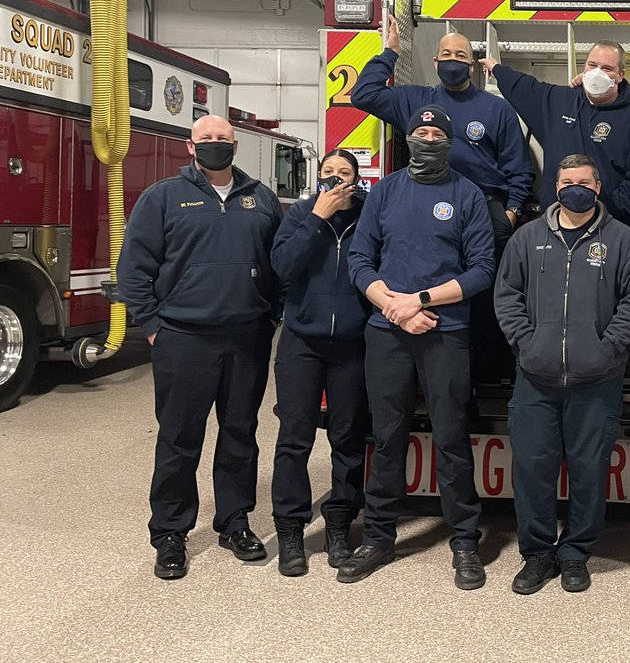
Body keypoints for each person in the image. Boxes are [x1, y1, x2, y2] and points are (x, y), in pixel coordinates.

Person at [117, 114, 283, 580]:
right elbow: (134, 269)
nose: (215, 144)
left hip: (247, 338)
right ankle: (170, 532)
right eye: (205, 139)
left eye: (223, 139)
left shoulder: (261, 199)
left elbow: (280, 263)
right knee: (179, 439)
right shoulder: (163, 198)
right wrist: (153, 327)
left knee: (239, 435)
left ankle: (234, 522)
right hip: (183, 339)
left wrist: (271, 313)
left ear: (236, 146)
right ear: (190, 147)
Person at [340, 104, 496, 588]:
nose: (426, 139)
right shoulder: (385, 191)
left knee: (451, 437)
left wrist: (420, 300)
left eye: (435, 133)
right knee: (387, 437)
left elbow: (481, 270)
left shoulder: (466, 195)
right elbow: (360, 259)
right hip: (387, 332)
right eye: (419, 132)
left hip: (445, 333)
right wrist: (393, 307)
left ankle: (465, 540)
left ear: (448, 142)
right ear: (408, 139)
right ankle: (379, 537)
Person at [494, 154, 630, 595]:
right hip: (536, 377)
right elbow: (506, 295)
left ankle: (576, 553)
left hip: (597, 377)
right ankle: (538, 553)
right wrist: (527, 344)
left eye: (584, 181)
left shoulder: (621, 241)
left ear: (597, 188)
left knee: (588, 469)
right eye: (566, 181)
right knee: (532, 468)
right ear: (555, 187)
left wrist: (608, 348)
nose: (575, 188)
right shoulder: (526, 238)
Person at [352, 22, 535, 385]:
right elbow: (363, 95)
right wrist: (390, 52)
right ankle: (407, 353)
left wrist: (511, 213)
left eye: (461, 56)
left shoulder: (496, 109)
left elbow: (519, 168)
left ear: (473, 64)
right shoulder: (414, 99)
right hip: (420, 201)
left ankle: (482, 379)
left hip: (482, 205)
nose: (454, 61)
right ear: (436, 61)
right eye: (447, 55)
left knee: (484, 295)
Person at [268, 149, 372, 577]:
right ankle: (291, 529)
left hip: (353, 344)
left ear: (356, 180)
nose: (334, 178)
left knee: (348, 439)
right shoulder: (300, 215)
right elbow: (282, 267)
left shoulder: (369, 216)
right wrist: (317, 217)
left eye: (343, 173)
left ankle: (339, 523)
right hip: (301, 342)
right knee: (294, 438)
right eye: (327, 172)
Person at [482, 41, 630, 232]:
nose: (597, 72)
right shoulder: (557, 101)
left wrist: (609, 212)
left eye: (607, 68)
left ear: (620, 75)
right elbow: (525, 87)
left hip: (609, 227)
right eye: (592, 65)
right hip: (555, 225)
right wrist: (496, 68)